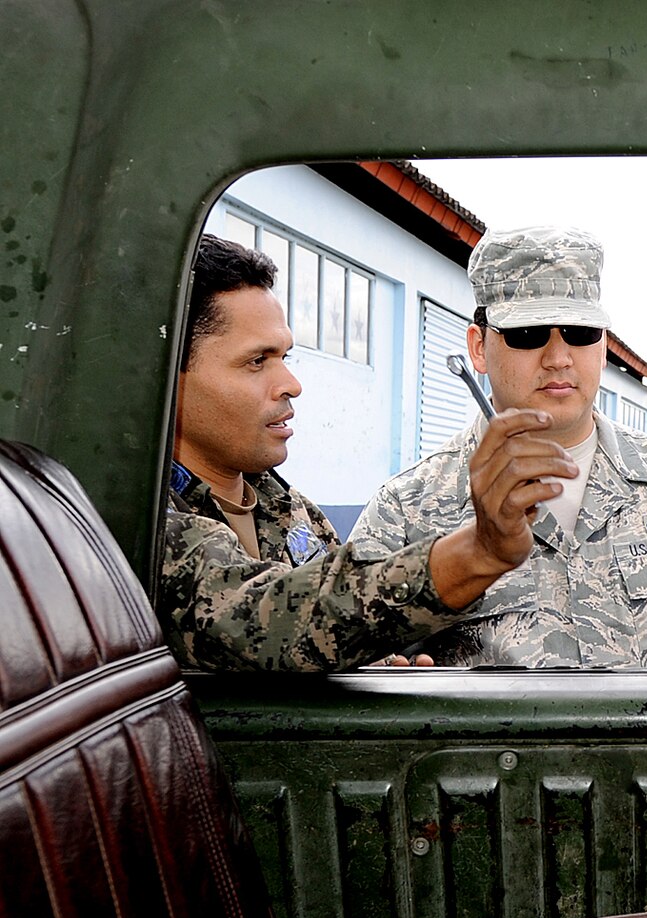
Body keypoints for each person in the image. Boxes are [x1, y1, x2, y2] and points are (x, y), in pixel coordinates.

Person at [158, 235, 571, 670]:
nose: (291, 384)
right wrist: (479, 552)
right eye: (257, 361)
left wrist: (381, 668)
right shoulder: (141, 521)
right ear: (169, 374)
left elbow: (339, 608)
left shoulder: (290, 510)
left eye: (284, 356)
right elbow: (254, 619)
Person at [349, 226, 647, 667]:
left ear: (604, 346)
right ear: (478, 347)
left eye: (580, 332)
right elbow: (355, 660)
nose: (558, 357)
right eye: (528, 333)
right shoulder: (407, 509)